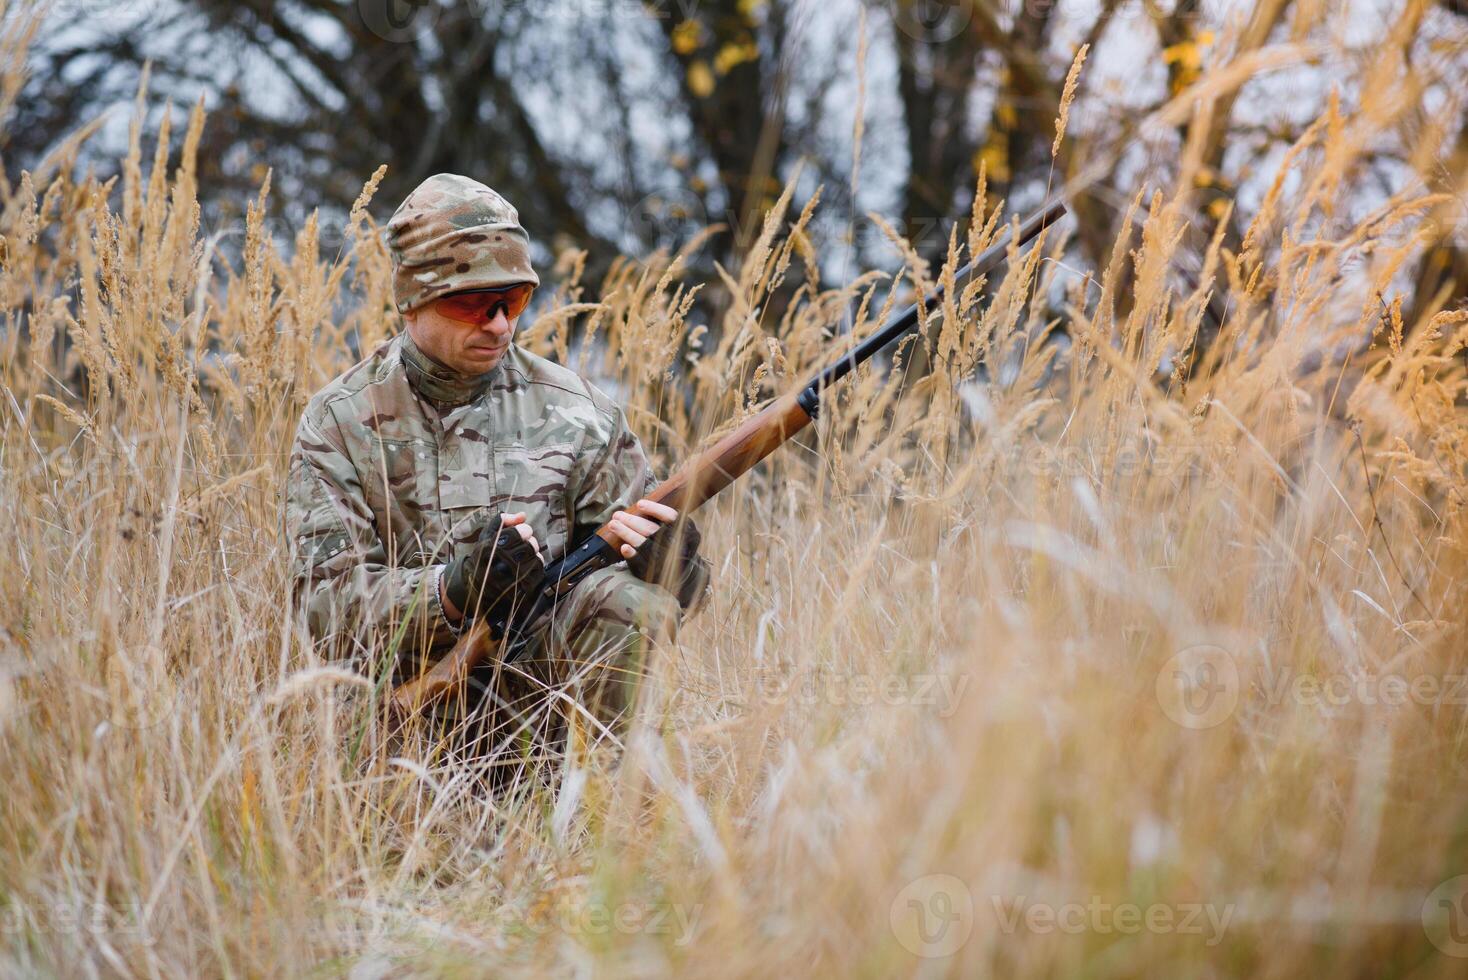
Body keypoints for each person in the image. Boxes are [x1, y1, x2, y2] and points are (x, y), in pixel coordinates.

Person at [284, 173, 709, 763]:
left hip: (545, 706)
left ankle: (599, 808)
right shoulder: (338, 422)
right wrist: (451, 593)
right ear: (411, 301)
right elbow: (323, 609)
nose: (499, 323)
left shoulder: (577, 413)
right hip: (400, 717)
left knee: (627, 604)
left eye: (514, 300)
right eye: (470, 302)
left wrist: (675, 566)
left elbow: (667, 604)